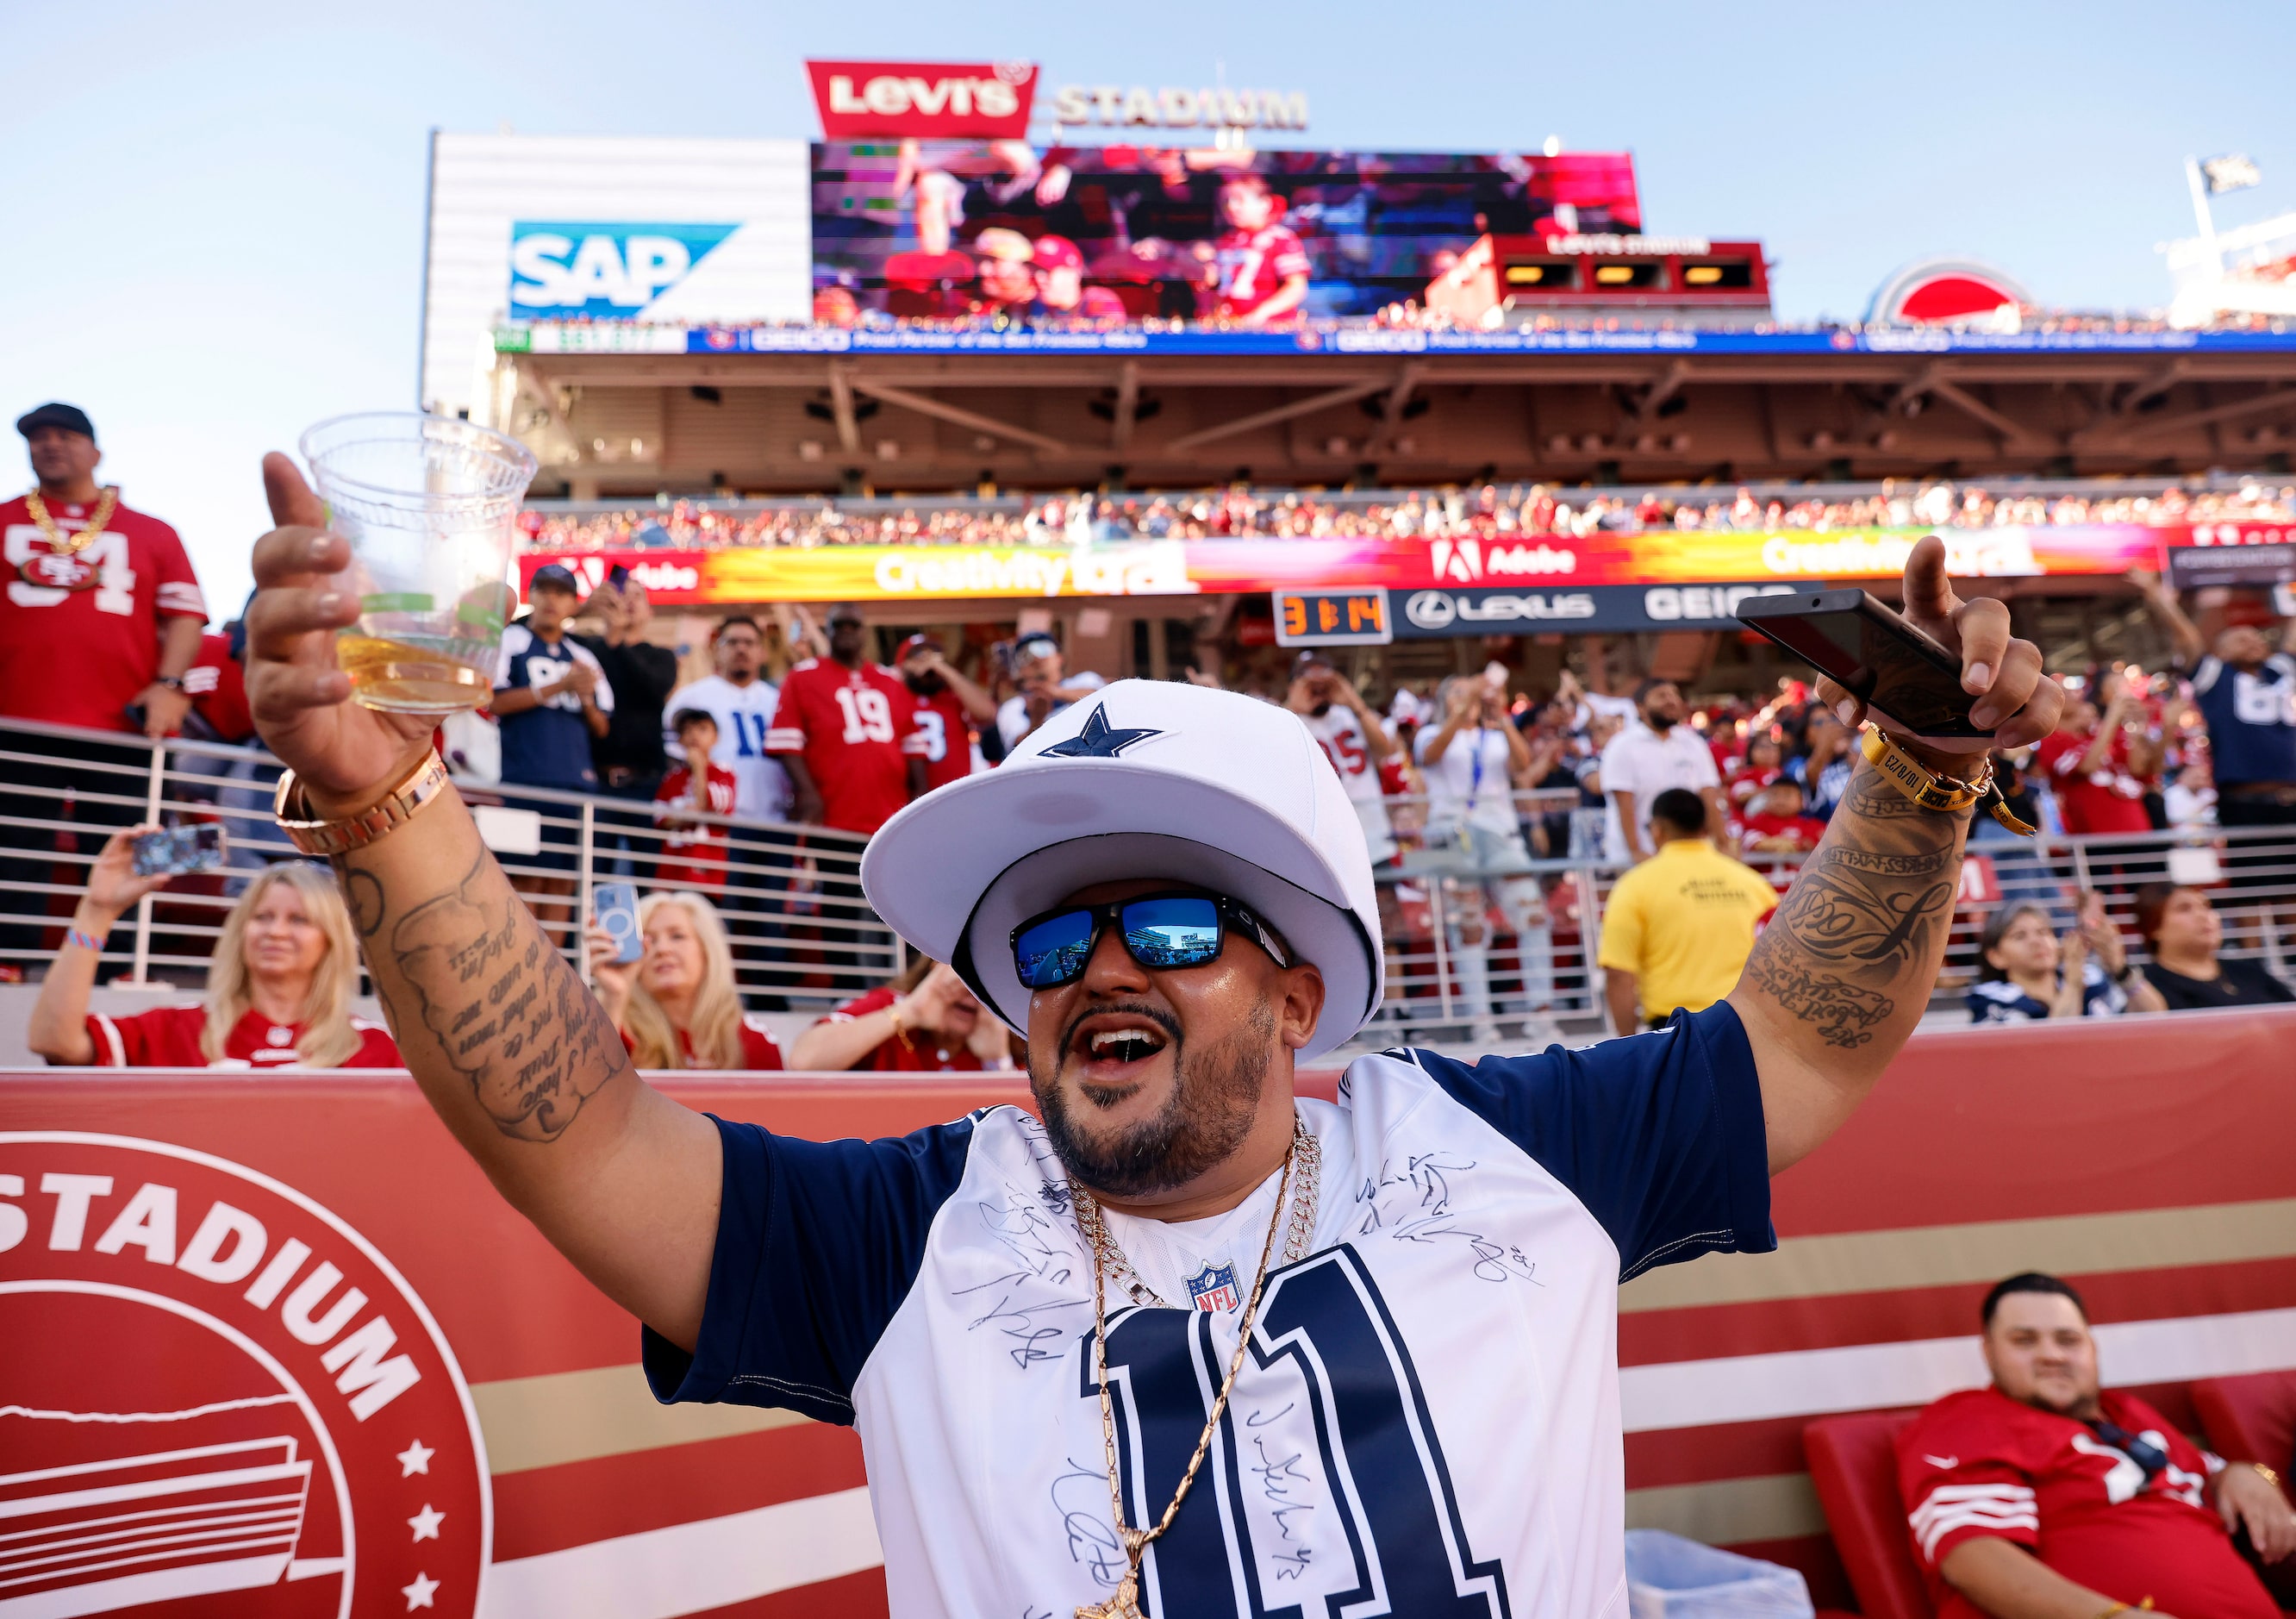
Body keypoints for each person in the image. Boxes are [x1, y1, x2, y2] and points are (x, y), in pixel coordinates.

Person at [243, 460, 2063, 1618]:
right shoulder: (913, 1240)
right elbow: (581, 1138)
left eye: (1175, 922)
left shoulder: (1498, 1155)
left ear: (1294, 986)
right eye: (1051, 932)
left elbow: (1798, 1047)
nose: (1100, 962)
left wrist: (1922, 775)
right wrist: (390, 799)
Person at [1895, 1272, 2292, 1619]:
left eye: (2067, 1340)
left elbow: (2217, 1471)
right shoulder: (1972, 1420)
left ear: (2092, 1348)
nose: (2051, 1355)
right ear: (1989, 1352)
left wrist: (2253, 1473)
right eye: (2024, 1341)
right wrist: (2112, 1617)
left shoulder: (2126, 1414)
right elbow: (1972, 1558)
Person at [0, 403, 209, 962]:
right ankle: (9, 969)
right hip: (15, 721)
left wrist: (170, 684)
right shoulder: (3, 519)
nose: (49, 445)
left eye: (64, 435)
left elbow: (186, 616)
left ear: (95, 450)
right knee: (13, 853)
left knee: (134, 849)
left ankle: (125, 969)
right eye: (37, 437)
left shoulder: (152, 531)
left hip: (124, 728)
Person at [28, 835, 398, 1068]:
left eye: (299, 920)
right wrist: (97, 912)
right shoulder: (177, 1029)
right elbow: (53, 1042)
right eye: (262, 917)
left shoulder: (373, 1048)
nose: (276, 931)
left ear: (331, 940)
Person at [1416, 672, 1555, 1039]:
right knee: (1469, 926)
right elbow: (1431, 758)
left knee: (1534, 917)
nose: (1469, 697)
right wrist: (1459, 713)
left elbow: (1523, 766)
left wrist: (1504, 716)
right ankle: (1480, 1019)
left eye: (1472, 692)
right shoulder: (1430, 733)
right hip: (1450, 835)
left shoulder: (1494, 736)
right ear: (1444, 700)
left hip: (1501, 833)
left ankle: (1541, 1012)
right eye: (1458, 692)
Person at [493, 564, 614, 940]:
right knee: (520, 880)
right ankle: (521, 969)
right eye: (543, 590)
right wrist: (560, 685)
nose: (551, 599)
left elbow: (603, 726)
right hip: (521, 782)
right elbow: (492, 701)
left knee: (563, 880)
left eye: (561, 592)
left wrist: (585, 697)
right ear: (532, 594)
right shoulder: (509, 641)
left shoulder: (584, 656)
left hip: (574, 786)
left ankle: (554, 974)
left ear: (573, 603)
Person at [1599, 789, 1782, 1034]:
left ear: (1657, 829)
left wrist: (1625, 1047)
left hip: (1674, 1029)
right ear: (1705, 827)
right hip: (1748, 1024)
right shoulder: (1753, 884)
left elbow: (1619, 974)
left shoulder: (1635, 886)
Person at [2131, 568, 2296, 830]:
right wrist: (2156, 594)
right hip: (2245, 802)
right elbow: (2187, 638)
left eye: (2256, 637)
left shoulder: (2281, 671)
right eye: (2241, 640)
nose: (2253, 641)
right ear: (2221, 651)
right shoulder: (2215, 677)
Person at [767, 603, 927, 835]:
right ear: (827, 630)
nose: (847, 630)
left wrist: (918, 801)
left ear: (865, 632)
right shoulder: (802, 678)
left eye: (854, 625)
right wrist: (809, 794)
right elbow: (786, 746)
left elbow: (913, 749)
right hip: (833, 817)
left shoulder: (890, 681)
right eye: (839, 625)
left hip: (890, 817)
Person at [584, 889, 784, 1070]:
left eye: (677, 936)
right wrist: (615, 997)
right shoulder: (615, 1029)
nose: (662, 949)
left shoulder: (751, 1039)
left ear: (707, 951)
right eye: (649, 940)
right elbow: (583, 1094)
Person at [573, 575, 678, 872]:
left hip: (647, 785)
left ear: (650, 612)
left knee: (650, 876)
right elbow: (523, 629)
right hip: (595, 783)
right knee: (590, 878)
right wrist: (581, 610)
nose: (628, 601)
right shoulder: (585, 649)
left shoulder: (661, 657)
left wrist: (617, 642)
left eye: (638, 596)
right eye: (622, 594)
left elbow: (653, 689)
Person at [785, 956, 1014, 1073]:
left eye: (984, 990)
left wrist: (999, 1060)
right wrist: (909, 1012)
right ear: (934, 972)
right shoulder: (889, 1005)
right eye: (963, 984)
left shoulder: (1011, 1033)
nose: (971, 998)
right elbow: (803, 1061)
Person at [663, 615, 789, 823]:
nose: (741, 649)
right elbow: (673, 760)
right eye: (732, 642)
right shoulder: (691, 698)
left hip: (774, 818)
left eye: (749, 643)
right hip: (716, 821)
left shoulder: (778, 700)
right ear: (716, 649)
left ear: (762, 652)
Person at [1968, 897, 2166, 1022]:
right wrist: (2073, 985)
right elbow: (2051, 1047)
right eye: (2019, 936)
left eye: (2044, 932)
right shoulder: (1991, 1001)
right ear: (1996, 957)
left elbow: (2155, 1015)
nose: (2037, 942)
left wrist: (2120, 969)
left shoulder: (2092, 978)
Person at [1285, 652, 1399, 868]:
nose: (1319, 689)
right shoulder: (1289, 722)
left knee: (1384, 899)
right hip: (1325, 842)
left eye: (1325, 682)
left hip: (1372, 834)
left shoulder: (1350, 715)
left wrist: (1355, 703)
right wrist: (1293, 707)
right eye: (1310, 682)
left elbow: (1385, 751)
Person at [1599, 678, 1729, 864]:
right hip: (1640, 858)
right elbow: (1624, 805)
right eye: (1661, 696)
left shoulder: (1693, 743)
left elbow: (1708, 795)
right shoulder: (1622, 746)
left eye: (1674, 695)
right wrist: (1636, 852)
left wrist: (1722, 844)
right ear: (1640, 707)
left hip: (1689, 855)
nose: (1671, 701)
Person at [2132, 882, 2296, 1010]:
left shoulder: (2247, 970)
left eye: (2207, 906)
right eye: (2184, 909)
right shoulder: (2146, 988)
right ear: (2154, 928)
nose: (2203, 916)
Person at [2034, 684, 2155, 838]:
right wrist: (2112, 716)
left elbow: (2138, 768)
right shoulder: (2050, 742)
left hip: (2137, 825)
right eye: (2064, 693)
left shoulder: (2095, 735)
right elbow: (2087, 767)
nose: (2074, 696)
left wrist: (2139, 726)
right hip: (2097, 833)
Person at [1207, 172, 1310, 327]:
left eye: (1240, 200)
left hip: (1271, 330)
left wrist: (1262, 313)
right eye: (1226, 201)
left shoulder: (1280, 239)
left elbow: (1297, 287)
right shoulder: (1226, 241)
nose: (1231, 207)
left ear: (1264, 204)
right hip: (1231, 326)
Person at [898, 633, 996, 791]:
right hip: (911, 797)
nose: (927, 661)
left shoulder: (952, 698)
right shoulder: (896, 697)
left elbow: (987, 714)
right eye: (919, 655)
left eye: (934, 656)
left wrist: (944, 670)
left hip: (956, 794)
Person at [652, 709, 737, 890]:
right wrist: (686, 816)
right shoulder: (672, 778)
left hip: (707, 873)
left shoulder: (724, 773)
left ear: (716, 737)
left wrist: (699, 768)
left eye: (702, 729)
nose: (694, 736)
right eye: (687, 730)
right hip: (671, 871)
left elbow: (709, 805)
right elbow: (660, 819)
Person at [994, 631, 1105, 753]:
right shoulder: (1013, 707)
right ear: (1020, 669)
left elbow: (1104, 699)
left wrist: (1055, 692)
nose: (1036, 658)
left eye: (1044, 649)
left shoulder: (1085, 680)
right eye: (1025, 655)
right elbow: (1016, 752)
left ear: (1060, 658)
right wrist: (1036, 721)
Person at [1737, 778, 1828, 855]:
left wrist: (1809, 846)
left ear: (1801, 801)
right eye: (1775, 795)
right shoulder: (1756, 822)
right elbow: (1746, 840)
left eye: (1787, 795)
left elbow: (1827, 843)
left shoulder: (1813, 825)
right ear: (1765, 800)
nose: (1780, 800)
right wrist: (1770, 844)